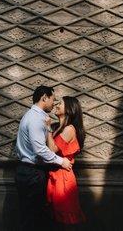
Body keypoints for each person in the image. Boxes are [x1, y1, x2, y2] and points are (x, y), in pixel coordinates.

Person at [15, 85, 73, 231]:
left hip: (28, 171)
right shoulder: (35, 118)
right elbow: (40, 149)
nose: (54, 103)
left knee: (31, 215)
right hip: (32, 173)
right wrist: (61, 161)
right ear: (44, 98)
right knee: (31, 218)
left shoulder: (34, 116)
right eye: (53, 99)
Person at [45, 96, 86, 229]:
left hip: (63, 179)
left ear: (69, 109)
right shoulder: (59, 127)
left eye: (60, 103)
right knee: (55, 219)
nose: (56, 105)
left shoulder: (69, 129)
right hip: (56, 175)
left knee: (64, 221)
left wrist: (48, 129)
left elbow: (52, 149)